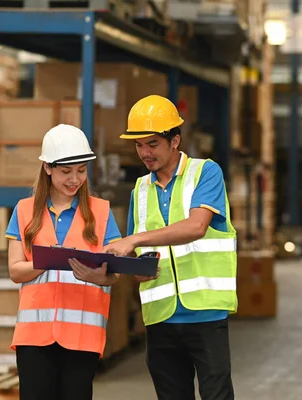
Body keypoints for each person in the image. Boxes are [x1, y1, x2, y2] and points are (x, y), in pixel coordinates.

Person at [103, 95, 238, 400]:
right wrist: (133, 267)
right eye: (138, 145)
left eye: (152, 144)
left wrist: (135, 240)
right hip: (161, 318)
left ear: (174, 140)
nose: (144, 153)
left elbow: (196, 226)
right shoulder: (140, 190)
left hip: (205, 312)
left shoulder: (206, 172)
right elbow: (139, 262)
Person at [5, 124, 122, 400]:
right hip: (34, 337)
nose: (75, 179)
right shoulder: (24, 211)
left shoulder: (101, 212)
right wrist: (47, 261)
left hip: (82, 337)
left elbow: (114, 274)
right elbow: (14, 270)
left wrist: (98, 276)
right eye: (66, 172)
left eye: (81, 171)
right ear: (47, 168)